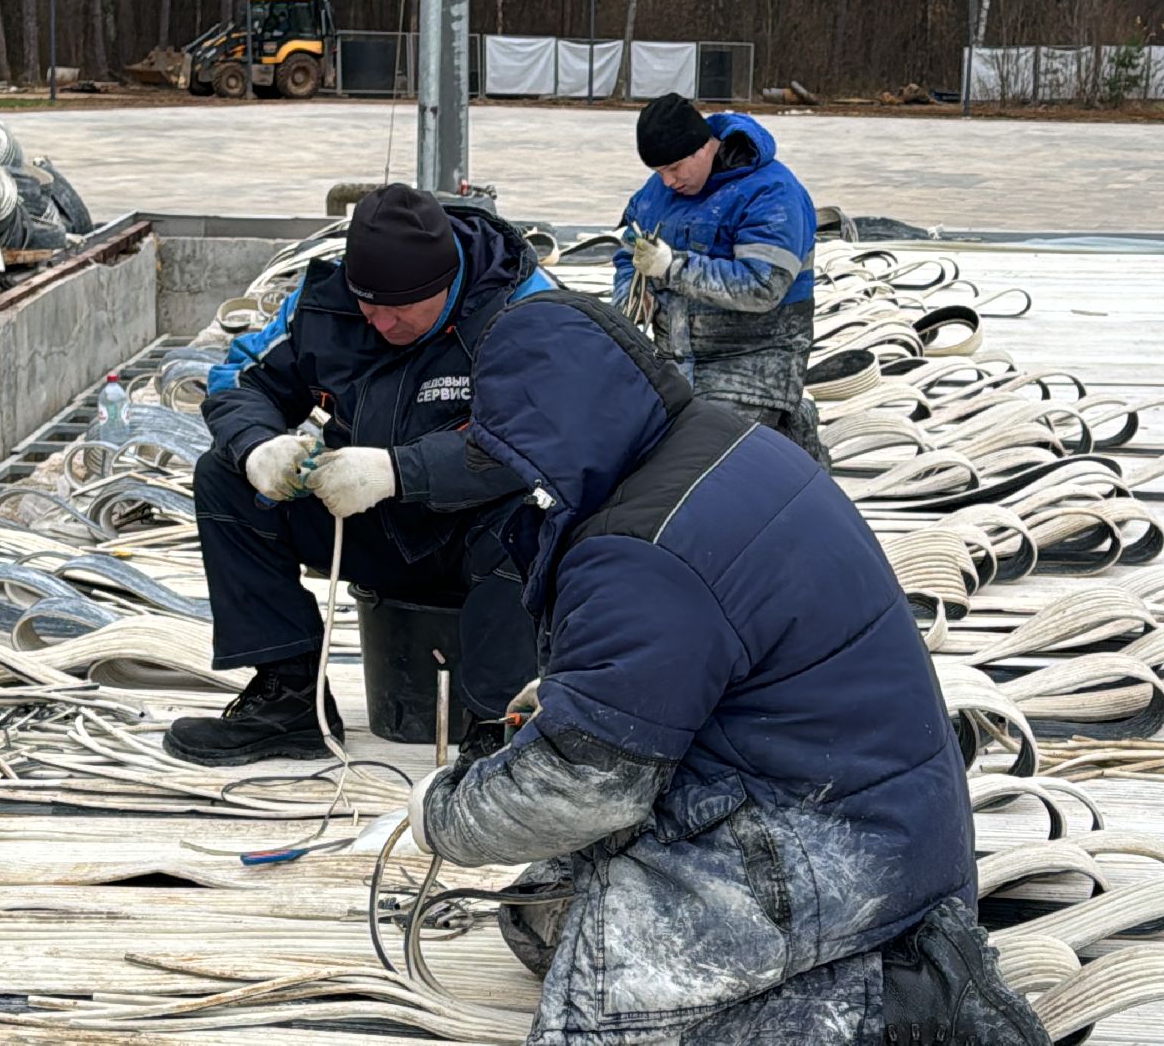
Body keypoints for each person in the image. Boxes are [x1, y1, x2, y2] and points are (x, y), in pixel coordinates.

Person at [404, 290, 1048, 1045]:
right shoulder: (725, 443)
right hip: (887, 820)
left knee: (593, 1021)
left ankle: (893, 1001)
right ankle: (885, 961)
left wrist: (442, 814)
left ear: (549, 436)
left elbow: (584, 788)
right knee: (543, 919)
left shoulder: (639, 553)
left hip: (840, 857)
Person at [164, 185, 556, 767]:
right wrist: (259, 448)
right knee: (223, 478)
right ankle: (291, 699)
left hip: (475, 531)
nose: (381, 323)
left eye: (401, 309)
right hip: (366, 519)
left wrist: (399, 471)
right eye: (368, 306)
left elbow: (541, 437)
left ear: (445, 284)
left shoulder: (528, 309)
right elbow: (241, 378)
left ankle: (499, 726)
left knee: (537, 521)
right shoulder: (324, 301)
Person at [613, 92, 831, 466]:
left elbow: (763, 286)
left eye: (676, 167)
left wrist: (671, 267)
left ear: (704, 148)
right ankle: (784, 439)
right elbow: (627, 250)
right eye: (658, 172)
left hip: (754, 366)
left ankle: (790, 433)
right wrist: (631, 294)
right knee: (643, 453)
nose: (668, 181)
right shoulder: (655, 195)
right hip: (678, 362)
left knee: (711, 465)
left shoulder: (771, 192)